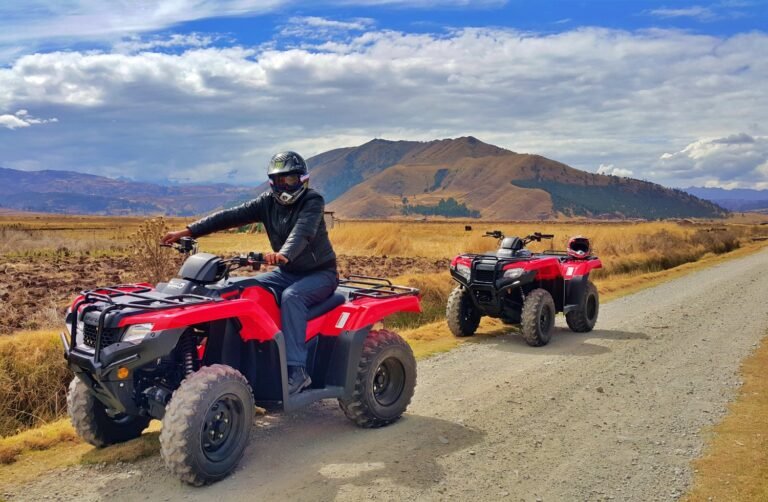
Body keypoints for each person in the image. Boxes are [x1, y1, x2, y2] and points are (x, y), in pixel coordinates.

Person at [162, 151, 337, 395]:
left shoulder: (313, 200)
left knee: (292, 297)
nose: (284, 186)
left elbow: (303, 231)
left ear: (302, 180)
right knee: (245, 290)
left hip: (319, 275)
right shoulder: (267, 202)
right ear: (271, 183)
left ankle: (297, 371)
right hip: (287, 272)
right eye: (279, 180)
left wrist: (284, 253)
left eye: (290, 179)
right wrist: (188, 231)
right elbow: (229, 216)